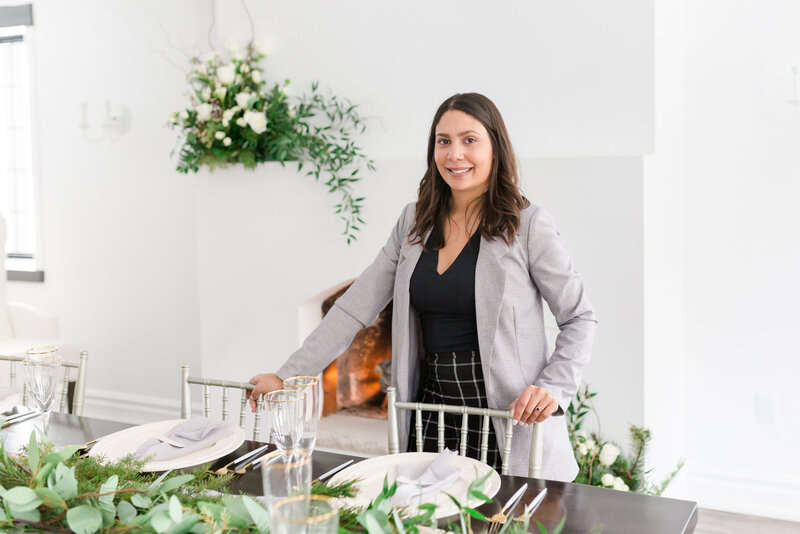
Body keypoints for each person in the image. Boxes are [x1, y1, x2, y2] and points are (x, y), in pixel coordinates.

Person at [248, 93, 596, 481]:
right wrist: (288, 375)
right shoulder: (414, 222)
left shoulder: (528, 224)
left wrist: (553, 387)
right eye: (443, 141)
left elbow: (579, 318)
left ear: (495, 147)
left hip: (504, 421)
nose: (454, 154)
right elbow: (352, 308)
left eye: (469, 140)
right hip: (430, 414)